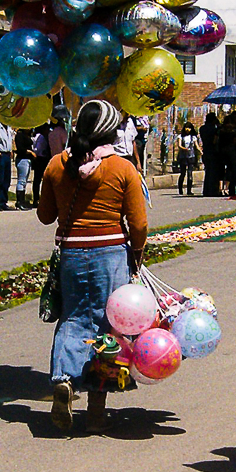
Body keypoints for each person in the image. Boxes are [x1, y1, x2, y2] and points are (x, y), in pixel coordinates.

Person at [37, 100, 148, 433]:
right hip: (110, 253)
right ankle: (97, 410)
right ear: (113, 131)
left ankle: (64, 382)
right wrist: (138, 253)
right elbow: (139, 223)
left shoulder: (57, 165)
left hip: (71, 254)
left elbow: (45, 216)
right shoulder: (123, 168)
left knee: (73, 318)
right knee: (108, 327)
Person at [175, 121, 203, 195]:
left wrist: (200, 151)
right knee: (183, 173)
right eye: (187, 127)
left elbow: (196, 146)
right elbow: (179, 145)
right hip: (183, 157)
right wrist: (184, 148)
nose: (188, 129)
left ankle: (189, 190)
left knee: (190, 173)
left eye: (189, 128)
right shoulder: (180, 136)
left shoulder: (193, 137)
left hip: (191, 157)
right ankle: (180, 190)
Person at [13, 127, 36, 210]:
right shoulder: (19, 136)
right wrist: (30, 152)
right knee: (21, 181)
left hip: (28, 160)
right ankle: (19, 201)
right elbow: (20, 149)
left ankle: (22, 200)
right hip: (23, 159)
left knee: (24, 181)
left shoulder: (28, 136)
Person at [199, 112, 221, 196]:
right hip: (213, 151)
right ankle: (212, 190)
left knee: (207, 171)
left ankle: (206, 190)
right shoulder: (214, 129)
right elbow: (215, 141)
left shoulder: (202, 128)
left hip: (206, 151)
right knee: (213, 172)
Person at [31, 124, 52, 206]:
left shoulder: (39, 136)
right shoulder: (41, 137)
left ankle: (37, 198)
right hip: (41, 159)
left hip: (40, 159)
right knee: (38, 179)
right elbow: (38, 149)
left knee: (37, 179)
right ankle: (37, 199)